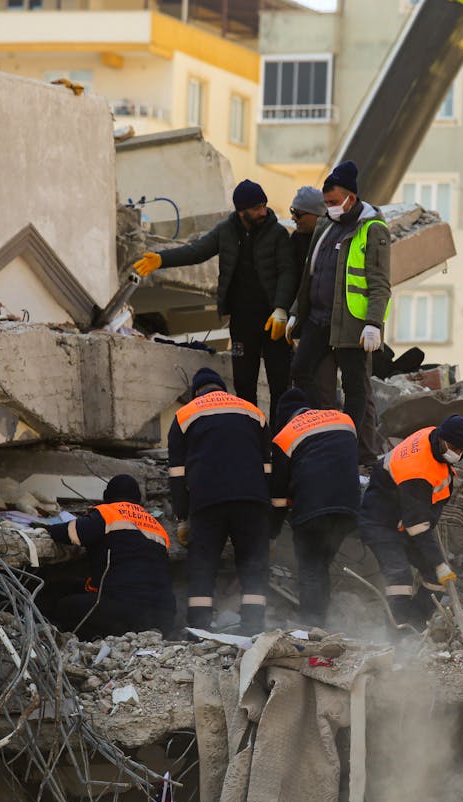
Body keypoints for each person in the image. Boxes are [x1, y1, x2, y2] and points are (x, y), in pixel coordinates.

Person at [133, 179, 296, 415]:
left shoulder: (277, 234)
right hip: (242, 321)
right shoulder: (226, 231)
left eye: (264, 206)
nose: (263, 212)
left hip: (273, 321)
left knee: (280, 383)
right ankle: (252, 439)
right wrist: (161, 259)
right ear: (241, 211)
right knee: (244, 384)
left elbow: (288, 273)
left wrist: (281, 309)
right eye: (256, 208)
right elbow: (197, 251)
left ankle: (281, 445)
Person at [287, 160, 391, 467]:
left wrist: (373, 324)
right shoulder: (326, 225)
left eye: (334, 202)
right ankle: (321, 433)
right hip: (319, 319)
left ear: (351, 198)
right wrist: (296, 312)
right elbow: (311, 274)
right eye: (327, 203)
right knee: (301, 371)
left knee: (355, 388)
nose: (329, 208)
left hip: (352, 326)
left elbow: (380, 284)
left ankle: (351, 449)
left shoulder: (373, 230)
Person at [168, 367, 271, 635]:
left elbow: (177, 474)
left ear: (196, 392)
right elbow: (267, 466)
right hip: (251, 499)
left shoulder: (184, 415)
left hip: (207, 501)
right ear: (222, 389)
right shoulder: (253, 412)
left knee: (203, 563)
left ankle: (199, 627)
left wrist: (182, 517)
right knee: (253, 563)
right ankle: (253, 625)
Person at [359, 414, 463, 629]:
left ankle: (416, 623)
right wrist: (439, 562)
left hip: (404, 521)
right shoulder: (417, 471)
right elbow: (417, 525)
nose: (455, 454)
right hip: (381, 523)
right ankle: (397, 634)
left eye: (460, 451)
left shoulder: (433, 436)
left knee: (436, 579)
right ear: (441, 438)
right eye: (452, 448)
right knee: (399, 577)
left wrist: (436, 566)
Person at [269, 388, 361, 627]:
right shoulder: (344, 420)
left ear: (284, 417)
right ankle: (323, 625)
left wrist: (272, 534)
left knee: (310, 569)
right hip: (349, 510)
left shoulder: (284, 437)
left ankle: (311, 628)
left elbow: (278, 495)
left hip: (312, 512)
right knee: (321, 567)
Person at [43, 475, 174, 640]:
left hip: (123, 609)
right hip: (163, 615)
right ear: (138, 499)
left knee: (64, 606)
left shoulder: (108, 513)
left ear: (106, 496)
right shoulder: (157, 526)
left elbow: (70, 532)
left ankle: (91, 642)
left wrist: (44, 528)